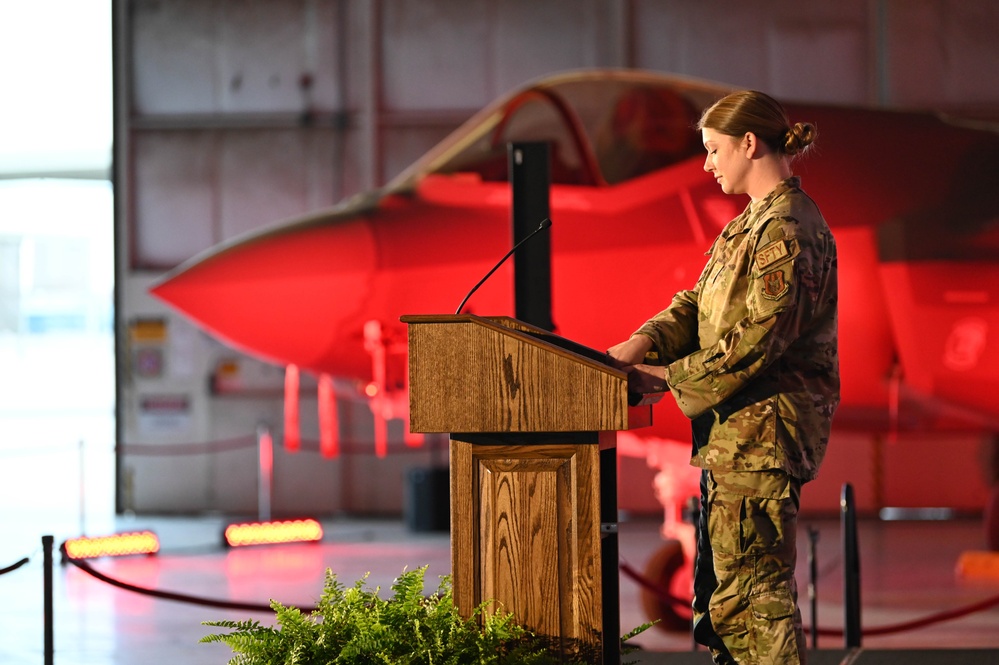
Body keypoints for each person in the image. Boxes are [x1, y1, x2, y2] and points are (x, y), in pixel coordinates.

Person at [607, 90, 839, 664]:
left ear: (749, 144)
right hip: (737, 438)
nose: (708, 164)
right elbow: (698, 304)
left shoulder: (786, 229)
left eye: (713, 150)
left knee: (754, 597)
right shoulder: (751, 226)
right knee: (729, 600)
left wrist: (660, 378)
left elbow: (760, 340)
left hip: (762, 438)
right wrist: (640, 342)